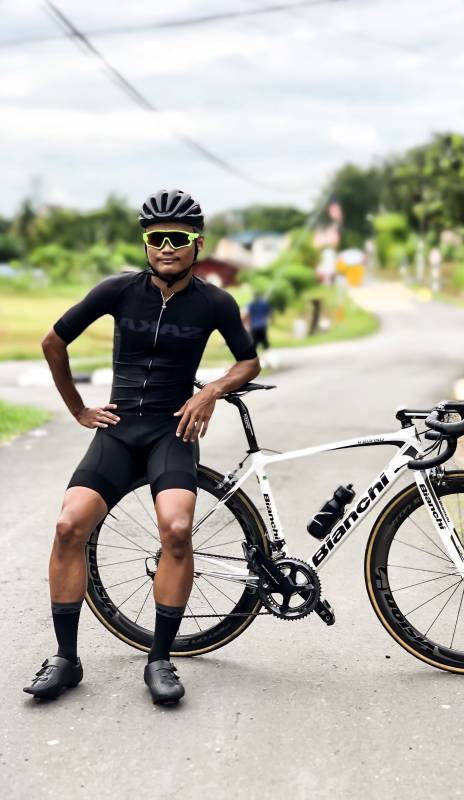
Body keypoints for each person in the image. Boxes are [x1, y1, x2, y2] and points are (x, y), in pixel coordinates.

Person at [23, 189, 260, 705]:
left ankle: (159, 659)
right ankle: (65, 659)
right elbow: (52, 341)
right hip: (118, 430)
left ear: (198, 244)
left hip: (170, 433)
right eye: (156, 238)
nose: (166, 247)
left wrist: (210, 391)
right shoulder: (118, 290)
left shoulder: (215, 303)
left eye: (177, 237)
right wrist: (78, 410)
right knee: (69, 525)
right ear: (146, 243)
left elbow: (249, 361)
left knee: (176, 529)